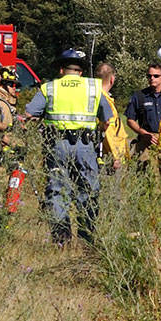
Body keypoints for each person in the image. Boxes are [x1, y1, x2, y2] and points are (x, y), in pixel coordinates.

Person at [24, 49, 113, 245]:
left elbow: (30, 114)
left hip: (57, 146)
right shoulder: (94, 87)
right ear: (80, 71)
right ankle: (86, 237)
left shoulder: (49, 88)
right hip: (86, 146)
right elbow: (107, 120)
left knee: (57, 190)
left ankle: (61, 239)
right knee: (88, 190)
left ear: (62, 70)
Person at [124, 62, 161, 158]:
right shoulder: (139, 96)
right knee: (145, 171)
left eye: (156, 76)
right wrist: (143, 133)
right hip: (145, 141)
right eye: (149, 76)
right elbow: (130, 120)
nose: (152, 78)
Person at [95, 62, 130, 171]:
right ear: (112, 79)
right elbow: (108, 130)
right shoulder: (105, 102)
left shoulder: (95, 98)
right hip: (109, 155)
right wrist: (116, 157)